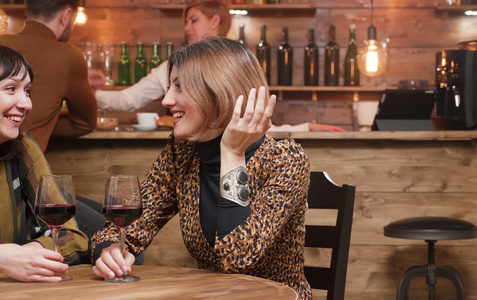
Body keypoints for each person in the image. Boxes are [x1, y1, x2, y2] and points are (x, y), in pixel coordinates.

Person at [91, 37, 313, 299]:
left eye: (180, 87)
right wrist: (108, 250)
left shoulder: (285, 159)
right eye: (169, 87)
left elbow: (237, 257)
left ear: (219, 95)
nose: (166, 100)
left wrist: (231, 152)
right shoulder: (182, 153)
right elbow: (128, 228)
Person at [95, 0, 344, 133]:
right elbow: (125, 101)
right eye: (185, 22)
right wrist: (82, 90)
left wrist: (305, 127)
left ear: (216, 21)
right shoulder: (176, 65)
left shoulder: (238, 65)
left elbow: (258, 124)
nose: (187, 28)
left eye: (193, 20)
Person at [0, 45, 88, 282]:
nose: (26, 104)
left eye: (27, 91)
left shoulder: (22, 147)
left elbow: (72, 236)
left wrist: (31, 252)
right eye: (11, 89)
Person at [0, 0, 100, 152]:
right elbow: (85, 123)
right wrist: (42, 125)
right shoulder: (68, 56)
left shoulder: (3, 43)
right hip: (24, 170)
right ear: (66, 16)